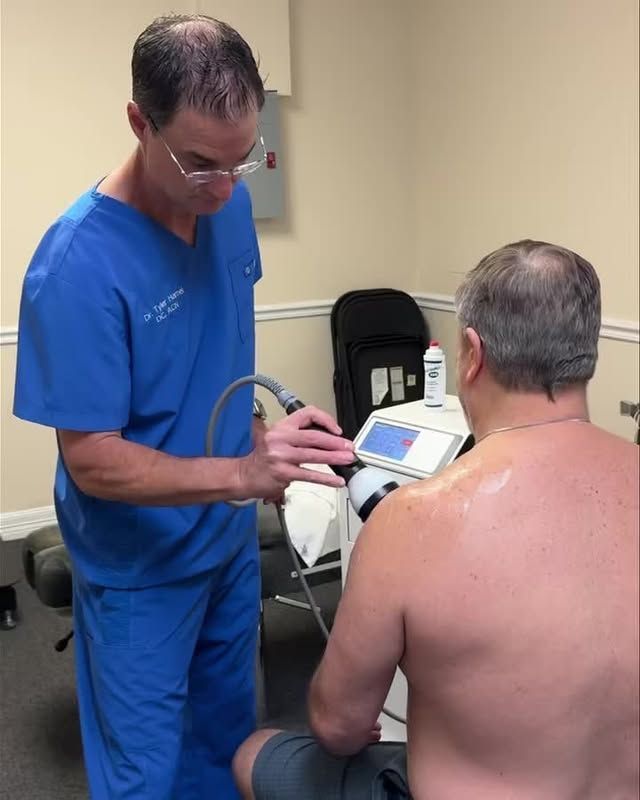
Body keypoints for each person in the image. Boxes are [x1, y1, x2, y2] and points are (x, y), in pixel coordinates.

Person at [13, 15, 354, 800]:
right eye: (201, 163)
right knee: (145, 771)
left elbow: (212, 353)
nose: (228, 189)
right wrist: (242, 471)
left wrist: (266, 439)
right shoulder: (75, 267)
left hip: (228, 542)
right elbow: (92, 458)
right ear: (140, 121)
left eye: (244, 159)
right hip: (141, 566)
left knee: (228, 740)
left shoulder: (224, 206)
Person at [233, 239, 640, 800]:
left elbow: (337, 726)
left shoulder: (409, 522)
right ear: (585, 352)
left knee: (253, 755)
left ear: (472, 355)